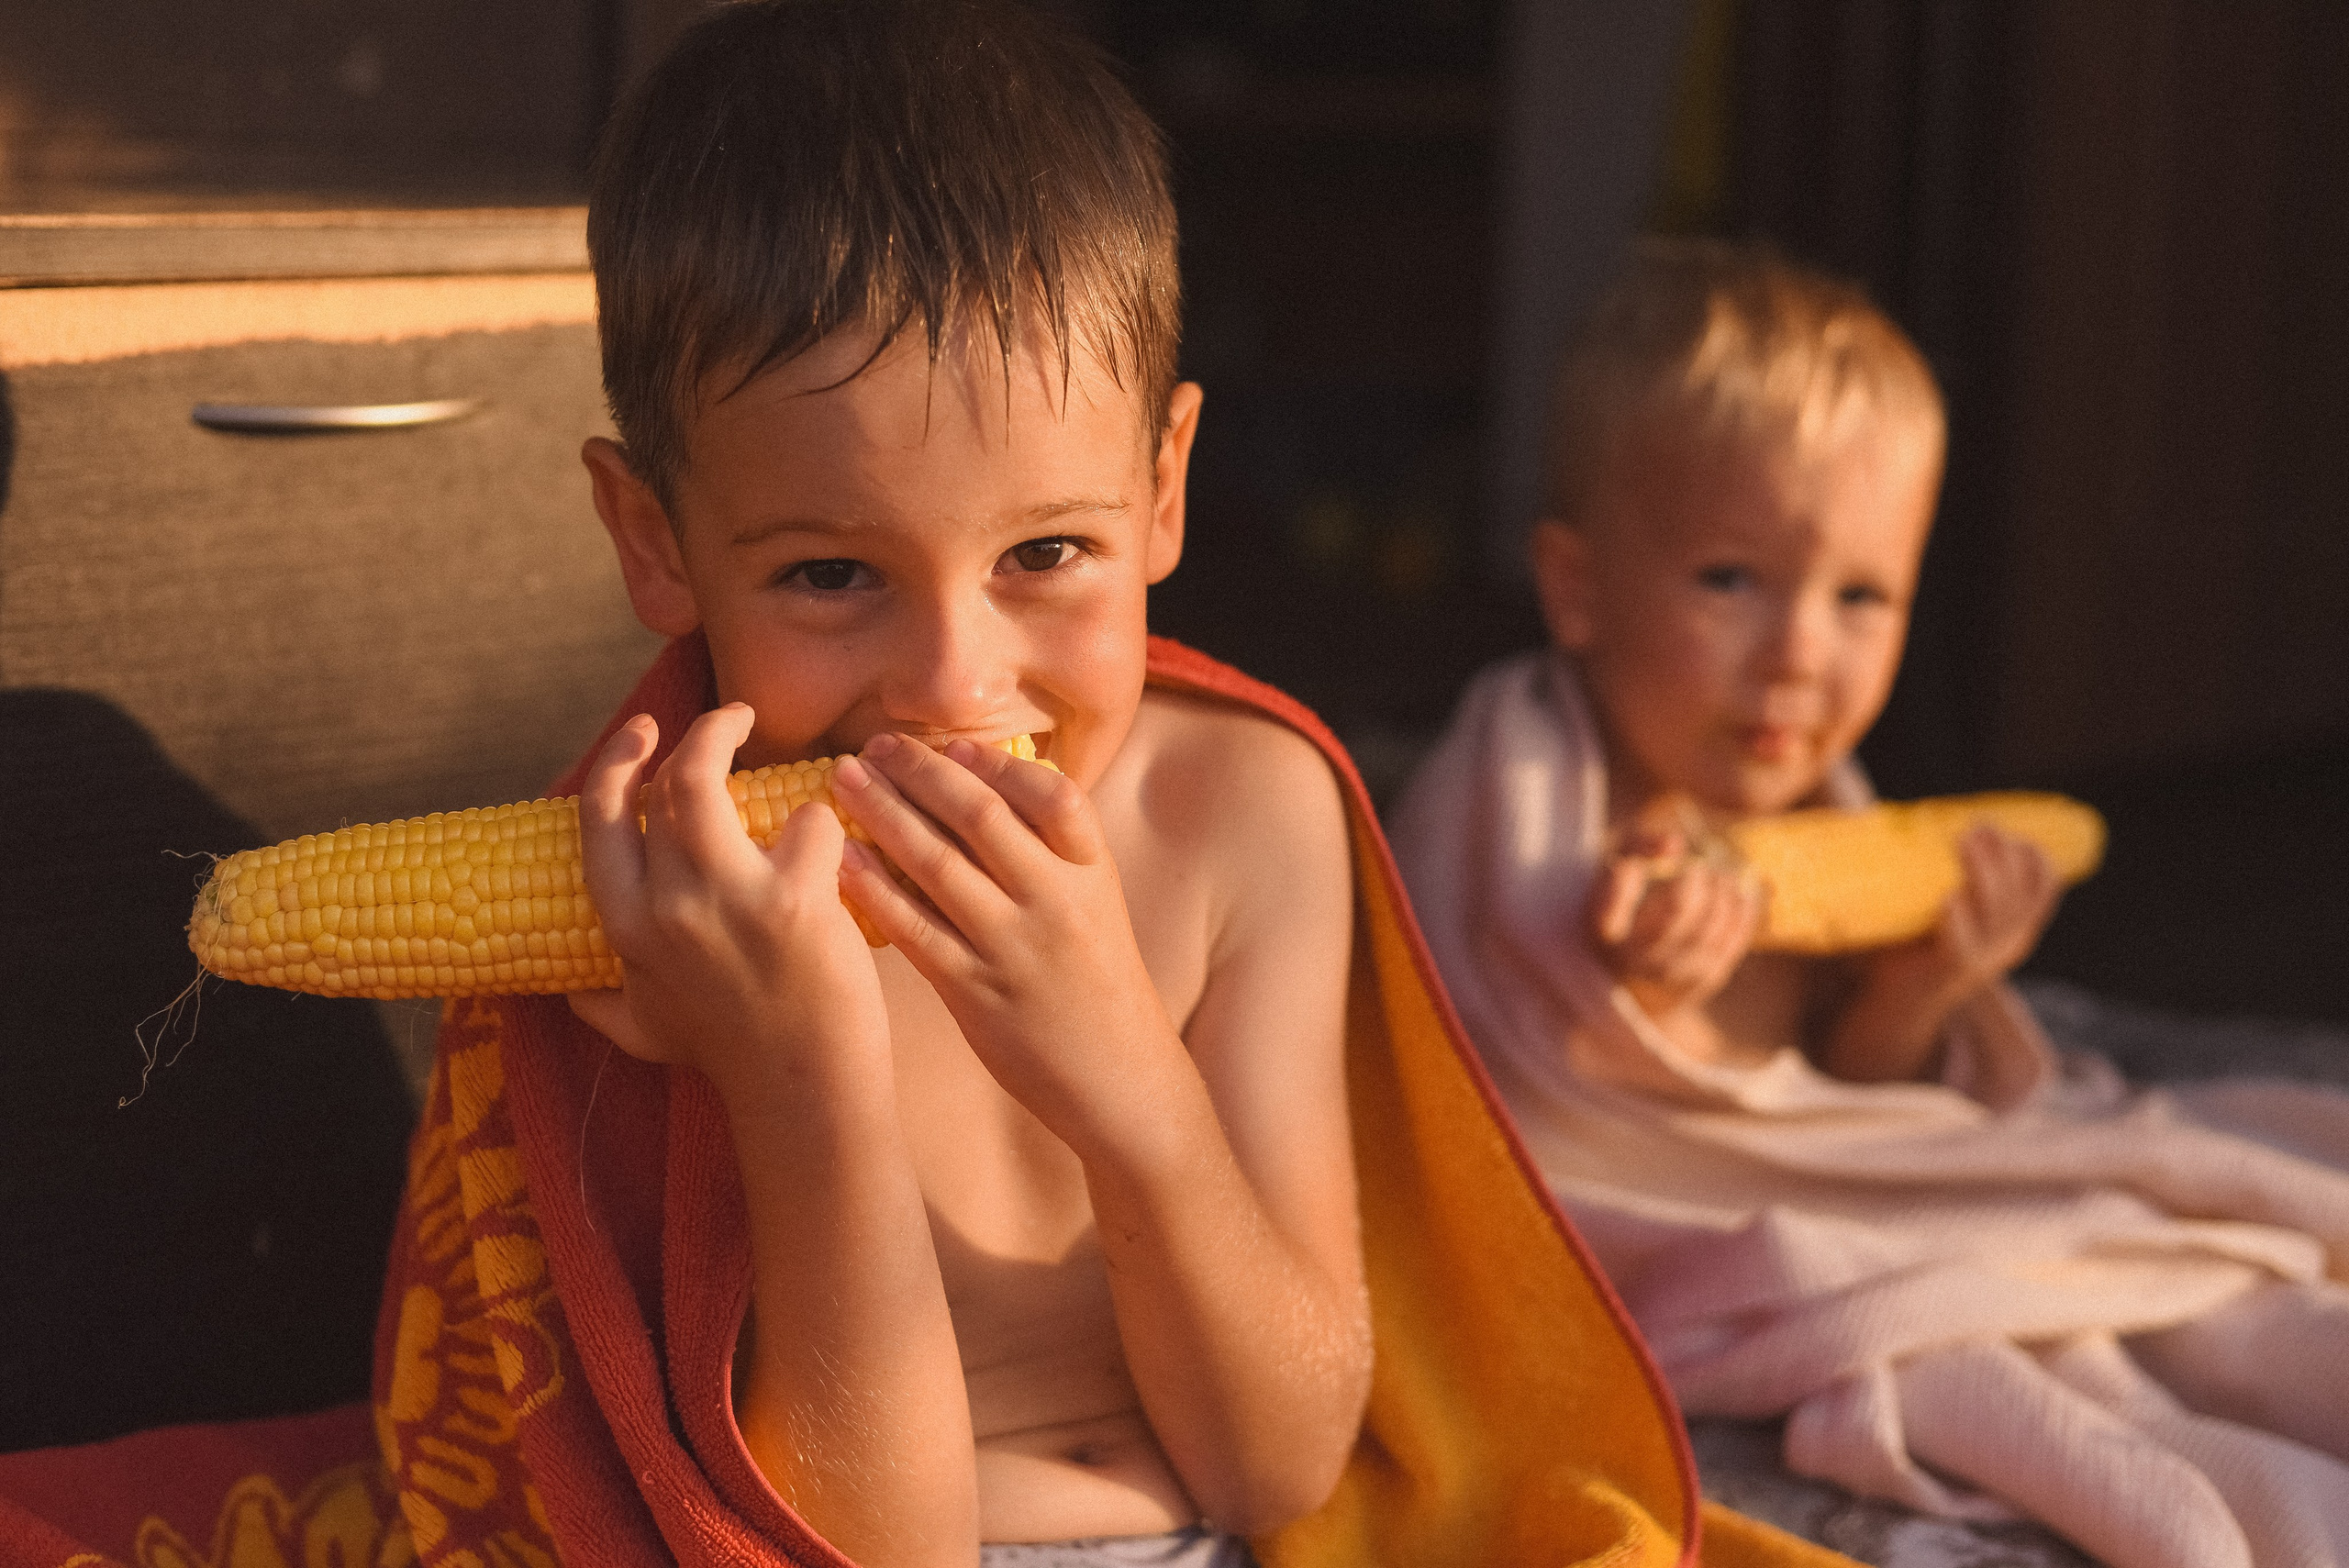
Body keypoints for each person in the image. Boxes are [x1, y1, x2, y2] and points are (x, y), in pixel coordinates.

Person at [1391, 239, 2349, 1568]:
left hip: (1863, 1182)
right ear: (1578, 586)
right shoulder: (1522, 799)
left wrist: (1919, 990)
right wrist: (1633, 996)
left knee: (2250, 1310)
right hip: (1723, 1224)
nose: (1798, 655)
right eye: (1730, 579)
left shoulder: (1812, 793)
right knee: (2064, 1359)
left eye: (1861, 597)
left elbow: (1841, 1090)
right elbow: (1514, 1075)